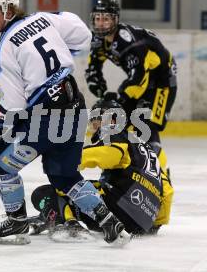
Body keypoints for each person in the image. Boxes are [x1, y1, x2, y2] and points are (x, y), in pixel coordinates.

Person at [0, 0, 129, 246]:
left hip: (45, 119)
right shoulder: (42, 19)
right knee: (64, 175)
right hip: (75, 108)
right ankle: (109, 222)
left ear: (9, 10)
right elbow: (81, 34)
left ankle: (17, 222)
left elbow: (15, 103)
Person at [29, 98, 174, 239]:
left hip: (118, 210)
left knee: (45, 193)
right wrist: (151, 224)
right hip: (142, 224)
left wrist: (65, 159)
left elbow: (109, 155)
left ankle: (65, 222)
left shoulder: (114, 134)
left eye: (97, 118)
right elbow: (167, 191)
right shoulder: (144, 147)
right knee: (81, 188)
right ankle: (52, 214)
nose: (94, 125)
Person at [85, 0, 177, 171]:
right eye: (98, 18)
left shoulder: (128, 42)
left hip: (162, 81)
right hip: (143, 77)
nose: (101, 23)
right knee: (120, 118)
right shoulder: (99, 41)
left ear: (115, 20)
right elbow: (93, 68)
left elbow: (139, 78)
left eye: (106, 19)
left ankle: (157, 171)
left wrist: (121, 97)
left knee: (146, 122)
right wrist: (100, 90)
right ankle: (123, 162)